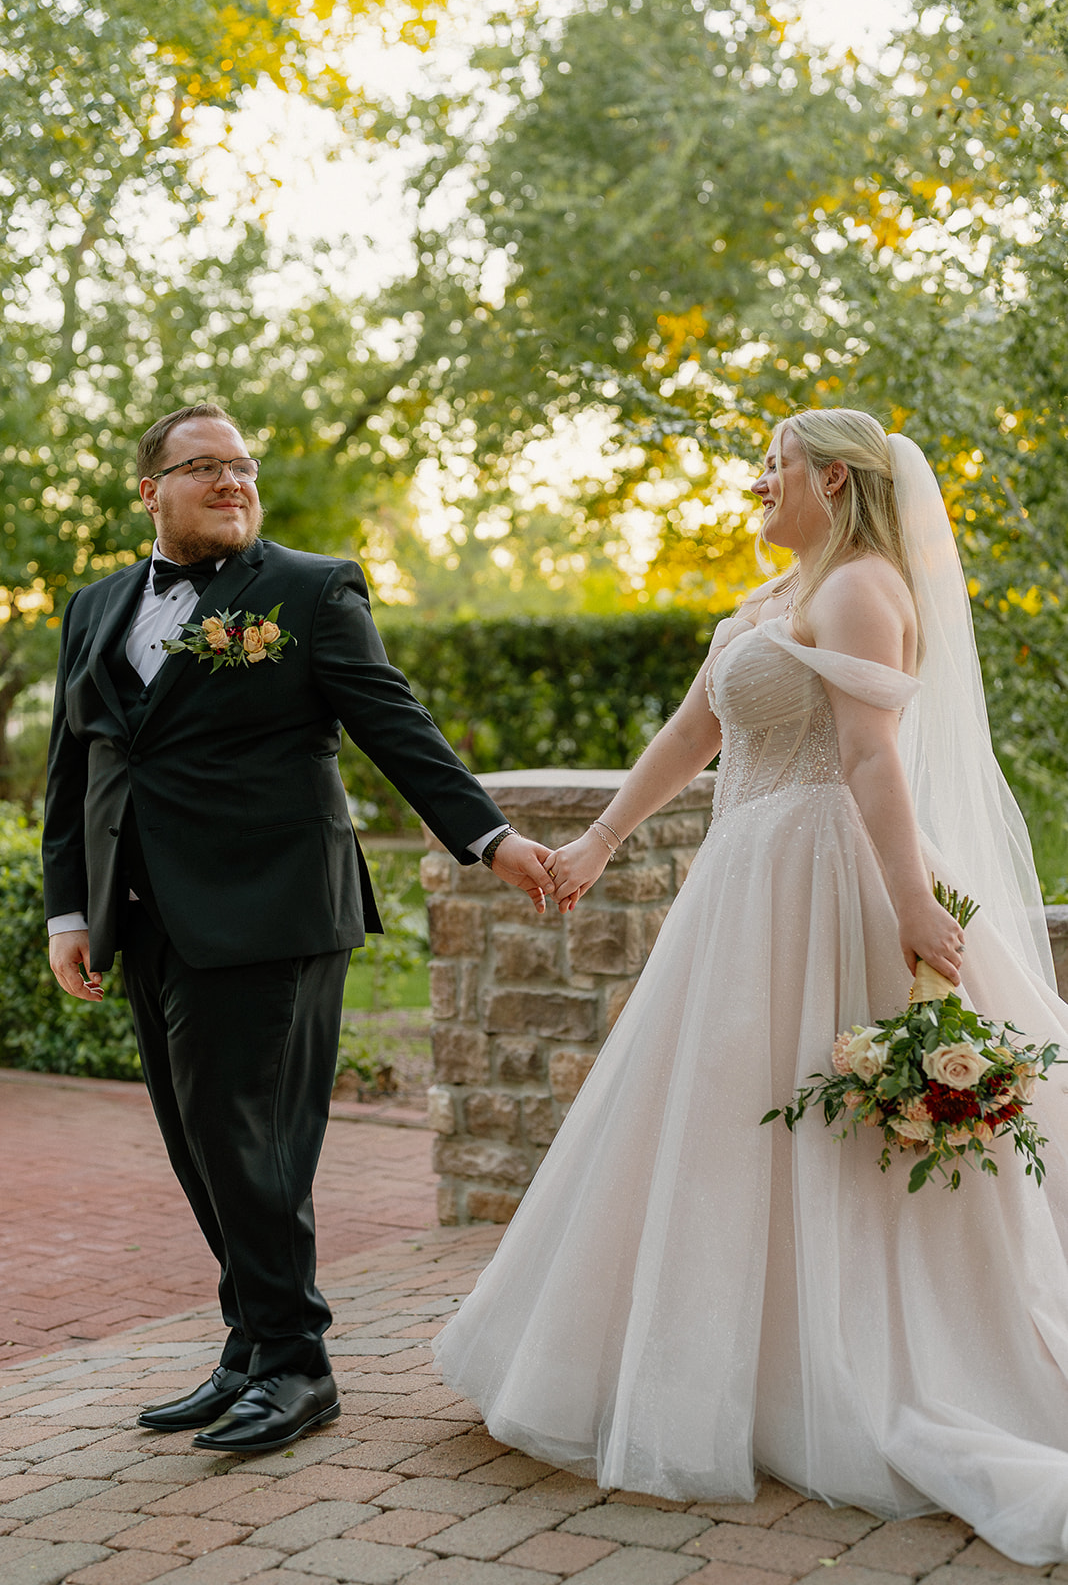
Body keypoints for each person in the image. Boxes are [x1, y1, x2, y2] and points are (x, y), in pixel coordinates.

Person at [434, 408, 1068, 1565]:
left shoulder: (865, 586)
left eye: (773, 470)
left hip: (829, 879)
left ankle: (854, 1364)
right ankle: (725, 1353)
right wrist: (600, 845)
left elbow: (873, 755)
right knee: (722, 1116)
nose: (757, 487)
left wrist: (913, 904)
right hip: (741, 882)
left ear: (831, 478)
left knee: (821, 1113)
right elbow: (692, 732)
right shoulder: (768, 602)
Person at [43, 401, 553, 1454]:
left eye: (244, 468)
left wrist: (489, 838)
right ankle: (249, 1346)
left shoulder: (309, 588)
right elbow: (76, 766)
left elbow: (391, 719)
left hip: (272, 905)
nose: (233, 483)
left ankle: (297, 1363)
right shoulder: (93, 606)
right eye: (205, 469)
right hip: (144, 914)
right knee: (201, 1145)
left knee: (251, 1140)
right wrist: (69, 910)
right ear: (151, 491)